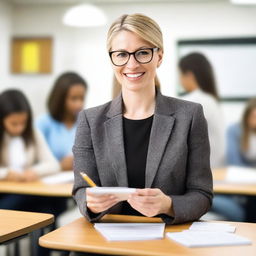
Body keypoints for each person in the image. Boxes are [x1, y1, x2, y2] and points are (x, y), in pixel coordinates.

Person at [72, 13, 213, 225]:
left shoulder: (190, 116)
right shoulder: (90, 121)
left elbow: (202, 194)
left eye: (143, 52)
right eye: (121, 54)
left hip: (167, 239)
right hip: (107, 237)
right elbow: (81, 188)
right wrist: (90, 203)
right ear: (111, 59)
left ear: (160, 56)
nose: (132, 64)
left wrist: (168, 204)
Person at [0, 89, 60, 211]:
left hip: (26, 190)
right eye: (13, 123)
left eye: (23, 122)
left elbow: (53, 164)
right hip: (5, 192)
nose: (20, 128)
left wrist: (34, 171)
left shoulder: (33, 133)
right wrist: (6, 174)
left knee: (49, 207)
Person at [178, 52, 225, 169]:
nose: (179, 80)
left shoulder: (193, 101)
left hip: (204, 170)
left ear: (189, 75)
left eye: (180, 75)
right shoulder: (211, 100)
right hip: (216, 167)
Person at [37, 72, 87, 170]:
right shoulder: (43, 123)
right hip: (50, 179)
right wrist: (60, 165)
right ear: (60, 99)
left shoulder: (86, 122)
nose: (79, 104)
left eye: (82, 98)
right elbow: (34, 160)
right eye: (74, 99)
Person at [227, 98, 256, 167]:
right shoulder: (234, 130)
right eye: (254, 116)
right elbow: (234, 161)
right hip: (242, 171)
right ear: (246, 116)